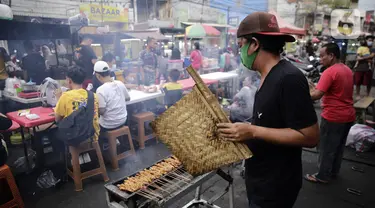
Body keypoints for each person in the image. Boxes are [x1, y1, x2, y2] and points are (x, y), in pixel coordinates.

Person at [216, 12, 319, 207]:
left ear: (254, 44)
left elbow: (311, 136)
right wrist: (244, 128)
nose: (240, 53)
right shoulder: (265, 76)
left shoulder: (288, 78)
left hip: (276, 185)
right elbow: (271, 122)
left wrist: (253, 130)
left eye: (241, 46)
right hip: (260, 177)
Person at [306, 43, 356, 184]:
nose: (320, 59)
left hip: (334, 116)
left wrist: (305, 91)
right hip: (348, 115)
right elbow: (332, 90)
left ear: (331, 56)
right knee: (338, 147)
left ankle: (322, 176)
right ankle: (333, 172)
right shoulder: (346, 69)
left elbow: (316, 96)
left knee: (326, 147)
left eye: (323, 56)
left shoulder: (330, 71)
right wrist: (313, 87)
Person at [54, 66, 100, 153]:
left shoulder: (65, 96)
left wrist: (58, 99)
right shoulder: (93, 95)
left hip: (76, 138)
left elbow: (57, 119)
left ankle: (66, 161)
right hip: (93, 135)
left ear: (69, 80)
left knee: (54, 134)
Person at [94, 61, 130, 134]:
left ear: (98, 76)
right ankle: (117, 140)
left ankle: (108, 142)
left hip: (108, 125)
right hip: (123, 120)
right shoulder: (120, 83)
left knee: (94, 124)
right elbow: (128, 98)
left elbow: (102, 111)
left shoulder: (100, 90)